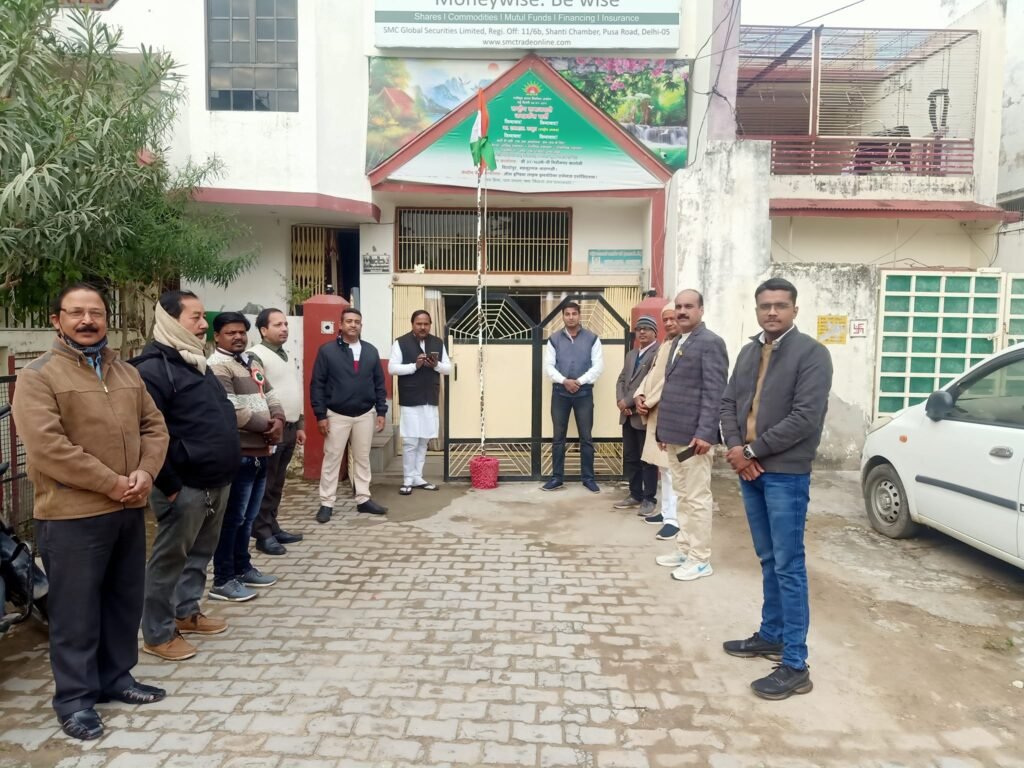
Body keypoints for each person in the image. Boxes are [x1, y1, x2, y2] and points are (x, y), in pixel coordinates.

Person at [14, 283, 170, 740]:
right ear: (56, 320)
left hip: (128, 507)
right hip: (71, 515)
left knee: (123, 601)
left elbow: (155, 427)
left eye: (96, 312)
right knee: (76, 613)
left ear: (106, 318)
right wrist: (112, 482)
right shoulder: (39, 376)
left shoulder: (126, 372)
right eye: (76, 312)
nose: (87, 321)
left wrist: (145, 472)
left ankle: (116, 678)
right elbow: (48, 448)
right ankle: (75, 700)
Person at [720, 277, 832, 701]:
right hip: (750, 470)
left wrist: (751, 450)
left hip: (785, 473)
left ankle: (796, 664)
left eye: (780, 305)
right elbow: (729, 404)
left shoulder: (812, 354)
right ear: (756, 310)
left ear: (794, 310)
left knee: (788, 565)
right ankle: (771, 634)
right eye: (765, 305)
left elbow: (805, 417)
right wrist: (736, 449)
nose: (772, 312)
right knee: (768, 558)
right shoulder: (749, 352)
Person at [132, 290, 241, 662]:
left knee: (199, 554)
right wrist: (170, 486)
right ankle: (158, 633)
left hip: (216, 479)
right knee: (168, 560)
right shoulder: (151, 370)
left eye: (202, 317)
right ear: (169, 320)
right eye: (194, 317)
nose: (202, 325)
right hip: (183, 486)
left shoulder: (197, 363)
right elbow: (147, 433)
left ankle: (186, 611)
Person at [207, 312, 285, 601]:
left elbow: (269, 393)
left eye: (241, 332)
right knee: (233, 518)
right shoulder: (216, 366)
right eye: (231, 333)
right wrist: (268, 426)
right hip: (238, 453)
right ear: (217, 336)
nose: (238, 337)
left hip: (261, 451)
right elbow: (231, 409)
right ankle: (223, 579)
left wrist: (278, 419)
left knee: (248, 517)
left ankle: (243, 568)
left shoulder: (250, 360)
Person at [652, 289, 729, 582]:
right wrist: (662, 431)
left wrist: (706, 432)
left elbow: (714, 392)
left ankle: (700, 558)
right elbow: (672, 390)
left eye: (688, 306)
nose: (682, 311)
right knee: (682, 496)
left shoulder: (710, 343)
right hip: (674, 434)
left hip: (696, 440)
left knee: (697, 499)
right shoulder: (677, 342)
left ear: (701, 310)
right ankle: (685, 549)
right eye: (679, 307)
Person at [311, 307, 388, 523]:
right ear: (341, 325)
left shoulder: (370, 351)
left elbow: (379, 383)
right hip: (337, 414)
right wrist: (320, 415)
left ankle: (363, 499)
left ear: (361, 325)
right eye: (349, 321)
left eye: (357, 321)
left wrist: (381, 410)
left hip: (365, 413)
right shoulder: (327, 351)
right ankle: (327, 503)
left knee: (363, 458)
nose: (353, 325)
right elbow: (317, 384)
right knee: (332, 458)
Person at [248, 308, 306, 556]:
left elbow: (293, 388)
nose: (284, 328)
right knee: (266, 482)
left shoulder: (284, 354)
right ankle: (261, 533)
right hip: (272, 429)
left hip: (290, 428)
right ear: (263, 330)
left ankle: (272, 525)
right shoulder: (256, 356)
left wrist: (300, 424)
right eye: (277, 325)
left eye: (285, 324)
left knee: (278, 483)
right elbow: (257, 393)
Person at [541, 301, 605, 493]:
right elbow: (548, 366)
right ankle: (557, 478)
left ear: (579, 315)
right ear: (563, 316)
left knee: (586, 437)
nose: (571, 317)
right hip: (560, 393)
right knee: (558, 438)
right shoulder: (554, 339)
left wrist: (578, 381)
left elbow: (598, 366)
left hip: (584, 393)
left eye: (574, 313)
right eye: (567, 314)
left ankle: (588, 479)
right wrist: (564, 381)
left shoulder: (592, 339)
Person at [389, 309, 451, 496]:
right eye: (419, 324)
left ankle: (418, 477)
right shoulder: (401, 342)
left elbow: (448, 369)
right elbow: (392, 368)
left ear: (430, 325)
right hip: (410, 398)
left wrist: (436, 365)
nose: (422, 327)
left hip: (429, 397)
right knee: (410, 441)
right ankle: (408, 479)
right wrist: (414, 366)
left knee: (424, 439)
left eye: (426, 324)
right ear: (412, 324)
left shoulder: (437, 342)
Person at [634, 302, 680, 540]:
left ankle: (674, 519)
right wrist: (639, 395)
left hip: (669, 413)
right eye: (666, 320)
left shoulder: (682, 345)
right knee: (663, 466)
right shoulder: (667, 343)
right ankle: (665, 512)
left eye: (673, 318)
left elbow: (668, 380)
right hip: (655, 411)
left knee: (672, 469)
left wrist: (648, 401)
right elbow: (652, 374)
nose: (669, 323)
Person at [613, 315, 660, 514]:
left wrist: (629, 401)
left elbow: (650, 383)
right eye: (639, 329)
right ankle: (635, 494)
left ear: (655, 332)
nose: (641, 332)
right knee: (631, 457)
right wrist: (620, 401)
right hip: (627, 414)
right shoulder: (631, 354)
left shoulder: (659, 353)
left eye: (646, 329)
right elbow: (622, 379)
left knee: (647, 459)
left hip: (643, 413)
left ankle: (649, 498)